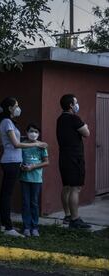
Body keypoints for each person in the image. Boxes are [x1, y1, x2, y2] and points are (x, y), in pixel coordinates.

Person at [0, 97, 47, 237]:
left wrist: (21, 138)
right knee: (7, 195)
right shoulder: (7, 122)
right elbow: (16, 144)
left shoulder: (5, 122)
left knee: (4, 194)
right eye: (16, 105)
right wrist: (36, 144)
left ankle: (3, 224)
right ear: (10, 108)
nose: (18, 108)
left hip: (9, 160)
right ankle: (8, 227)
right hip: (11, 162)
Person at [56, 94, 91, 229]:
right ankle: (75, 220)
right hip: (75, 158)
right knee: (75, 188)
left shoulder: (60, 119)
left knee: (67, 187)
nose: (77, 104)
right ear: (71, 105)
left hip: (64, 157)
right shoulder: (74, 118)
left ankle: (68, 215)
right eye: (75, 102)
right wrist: (85, 125)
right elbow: (86, 133)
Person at [20, 124, 49, 237]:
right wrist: (22, 166)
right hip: (24, 178)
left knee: (34, 203)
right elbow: (19, 159)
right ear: (27, 132)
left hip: (36, 179)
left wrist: (33, 167)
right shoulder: (22, 145)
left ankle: (35, 227)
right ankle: (26, 227)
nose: (33, 133)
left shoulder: (41, 146)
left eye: (36, 131)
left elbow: (46, 162)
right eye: (31, 131)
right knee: (25, 203)